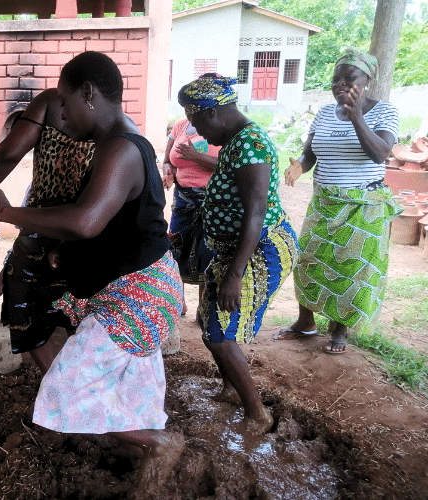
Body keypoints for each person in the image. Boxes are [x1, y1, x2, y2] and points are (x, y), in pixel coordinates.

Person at [0, 51, 186, 488]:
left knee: (64, 391)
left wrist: (8, 212)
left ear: (88, 94)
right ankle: (140, 454)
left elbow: (86, 220)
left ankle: (160, 443)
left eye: (65, 106)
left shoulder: (123, 148)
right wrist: (64, 254)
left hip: (136, 296)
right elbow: (104, 223)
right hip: (134, 289)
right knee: (126, 384)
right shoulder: (113, 144)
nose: (62, 120)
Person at [178, 74, 298, 432]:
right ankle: (231, 389)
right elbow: (234, 181)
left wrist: (235, 275)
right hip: (235, 250)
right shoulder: (236, 142)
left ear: (213, 113)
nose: (198, 133)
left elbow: (256, 214)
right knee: (209, 323)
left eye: (197, 122)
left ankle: (258, 414)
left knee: (219, 333)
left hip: (259, 251)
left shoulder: (251, 145)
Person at [0, 87, 95, 372]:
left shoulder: (50, 102)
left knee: (23, 305)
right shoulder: (117, 124)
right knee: (78, 313)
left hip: (51, 224)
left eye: (65, 96)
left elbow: (5, 157)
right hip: (84, 228)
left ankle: (62, 396)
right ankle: (65, 393)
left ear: (84, 89)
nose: (62, 111)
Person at [276, 48, 400, 354]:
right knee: (307, 261)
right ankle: (306, 322)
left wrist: (357, 116)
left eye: (350, 78)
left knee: (351, 268)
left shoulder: (384, 111)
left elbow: (380, 153)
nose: (341, 84)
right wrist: (299, 166)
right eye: (336, 79)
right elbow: (310, 153)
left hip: (363, 206)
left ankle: (339, 330)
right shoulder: (323, 114)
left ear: (366, 81)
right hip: (325, 201)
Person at [162, 113, 220, 315]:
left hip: (213, 199)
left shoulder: (224, 128)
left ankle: (203, 307)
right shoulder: (180, 126)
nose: (190, 110)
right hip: (183, 198)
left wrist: (195, 156)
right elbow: (168, 160)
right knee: (177, 247)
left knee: (208, 251)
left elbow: (228, 165)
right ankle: (179, 302)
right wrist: (168, 172)